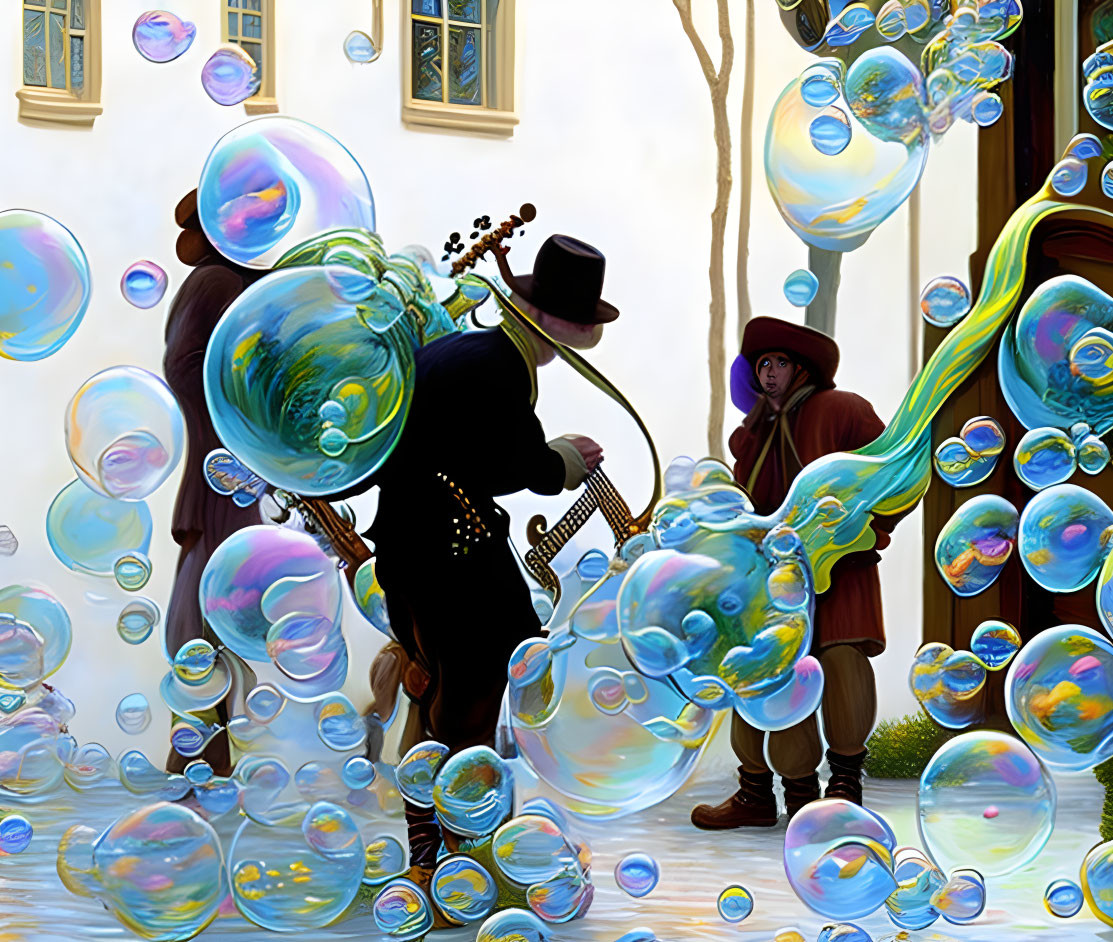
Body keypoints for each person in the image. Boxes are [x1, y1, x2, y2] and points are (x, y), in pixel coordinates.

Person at [345, 234, 617, 879]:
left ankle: (434, 851)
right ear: (546, 318)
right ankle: (446, 859)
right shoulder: (497, 365)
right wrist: (567, 460)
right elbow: (514, 462)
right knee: (470, 697)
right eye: (572, 317)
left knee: (432, 688)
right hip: (454, 557)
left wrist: (548, 454)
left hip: (415, 551)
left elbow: (469, 450)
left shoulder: (468, 351)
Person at [691, 316, 895, 829]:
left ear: (800, 368)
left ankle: (844, 787)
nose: (770, 373)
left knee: (842, 663)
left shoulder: (843, 410)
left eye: (780, 362)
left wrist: (863, 530)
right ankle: (767, 792)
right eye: (763, 364)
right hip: (772, 579)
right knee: (765, 670)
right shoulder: (752, 435)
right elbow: (742, 506)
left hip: (839, 569)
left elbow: (893, 472)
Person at [162, 189, 265, 776]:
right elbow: (184, 367)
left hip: (224, 473)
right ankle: (197, 757)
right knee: (207, 614)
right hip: (224, 474)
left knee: (211, 612)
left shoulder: (218, 282)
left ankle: (202, 757)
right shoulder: (218, 283)